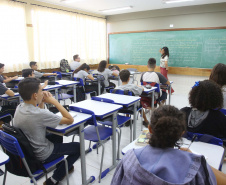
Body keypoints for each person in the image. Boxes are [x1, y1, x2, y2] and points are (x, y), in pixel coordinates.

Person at [111, 105, 226, 185]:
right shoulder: (195, 168)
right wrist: (198, 161)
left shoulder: (129, 157)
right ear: (181, 134)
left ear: (150, 129)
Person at [14, 78, 80, 185]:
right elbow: (69, 120)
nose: (43, 92)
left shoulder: (20, 107)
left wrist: (41, 102)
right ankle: (54, 179)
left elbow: (40, 113)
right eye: (41, 90)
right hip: (42, 154)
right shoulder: (39, 114)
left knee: (57, 136)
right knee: (78, 147)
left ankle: (61, 165)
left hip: (29, 151)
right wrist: (54, 102)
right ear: (35, 95)